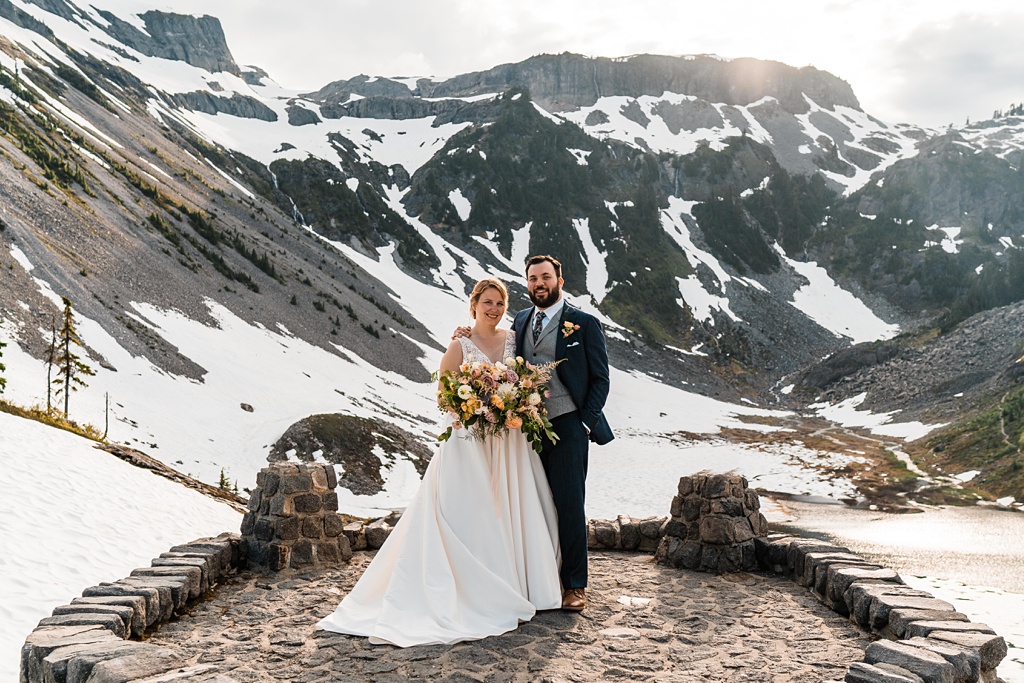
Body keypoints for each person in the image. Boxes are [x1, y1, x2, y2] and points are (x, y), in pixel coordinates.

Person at [317, 278, 562, 647]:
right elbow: (446, 399)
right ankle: (471, 588)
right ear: (474, 304)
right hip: (469, 445)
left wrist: (511, 405)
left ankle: (520, 580)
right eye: (488, 303)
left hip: (508, 443)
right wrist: (478, 410)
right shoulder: (459, 345)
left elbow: (525, 379)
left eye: (500, 303)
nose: (494, 309)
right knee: (471, 511)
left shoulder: (513, 339)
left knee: (513, 509)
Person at [454, 255, 613, 612]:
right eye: (532, 279)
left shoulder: (583, 323)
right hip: (523, 429)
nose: (539, 283)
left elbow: (601, 378)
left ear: (559, 279)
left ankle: (574, 585)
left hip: (569, 424)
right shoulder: (522, 320)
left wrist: (584, 422)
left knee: (569, 504)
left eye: (545, 277)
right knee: (532, 503)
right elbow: (492, 343)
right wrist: (465, 333)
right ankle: (536, 579)